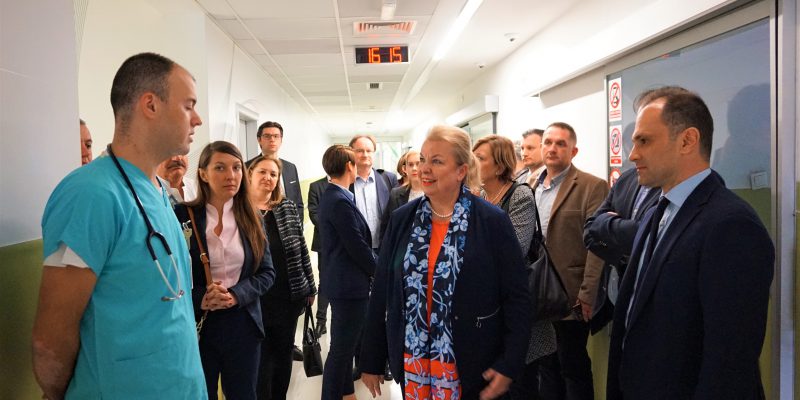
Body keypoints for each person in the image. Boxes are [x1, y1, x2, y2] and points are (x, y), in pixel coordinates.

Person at [33, 52, 206, 399]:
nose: (197, 119)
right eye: (188, 106)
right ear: (150, 105)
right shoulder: (90, 195)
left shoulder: (159, 191)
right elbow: (50, 341)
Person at [607, 86, 774, 399]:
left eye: (644, 141)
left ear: (687, 141)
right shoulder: (658, 211)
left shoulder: (731, 225)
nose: (632, 154)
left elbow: (729, 362)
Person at [360, 125, 531, 400]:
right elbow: (382, 289)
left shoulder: (491, 221)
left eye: (437, 161)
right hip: (414, 358)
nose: (424, 169)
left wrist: (510, 362)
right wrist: (371, 358)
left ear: (461, 171)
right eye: (423, 159)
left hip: (473, 359)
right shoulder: (403, 219)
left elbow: (517, 297)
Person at [174, 141, 276, 400]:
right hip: (199, 324)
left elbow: (267, 273)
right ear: (203, 174)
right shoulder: (182, 215)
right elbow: (169, 276)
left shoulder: (252, 217)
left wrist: (236, 294)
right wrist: (200, 298)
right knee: (200, 394)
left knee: (243, 394)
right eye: (220, 168)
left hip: (243, 322)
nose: (231, 175)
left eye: (236, 168)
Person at [472, 135, 557, 400]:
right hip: (490, 311)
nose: (472, 163)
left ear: (499, 166)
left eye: (480, 158)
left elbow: (514, 252)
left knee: (521, 385)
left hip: (518, 308)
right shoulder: (480, 195)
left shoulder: (519, 195)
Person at [533, 122, 608, 400]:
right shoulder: (531, 185)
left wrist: (588, 293)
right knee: (546, 365)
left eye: (560, 144)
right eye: (548, 142)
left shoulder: (591, 186)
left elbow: (597, 245)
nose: (552, 148)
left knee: (572, 365)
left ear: (573, 151)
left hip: (570, 293)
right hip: (537, 292)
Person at [249, 155, 316, 400]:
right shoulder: (240, 209)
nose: (268, 178)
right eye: (262, 172)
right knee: (261, 360)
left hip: (288, 296)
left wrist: (310, 286)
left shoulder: (285, 207)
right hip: (255, 298)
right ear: (250, 174)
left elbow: (300, 247)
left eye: (273, 174)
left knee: (283, 355)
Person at [318, 145, 377, 400]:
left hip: (343, 283)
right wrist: (381, 270)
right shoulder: (338, 200)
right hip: (348, 286)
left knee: (343, 346)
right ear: (348, 166)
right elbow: (357, 246)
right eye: (355, 162)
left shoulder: (336, 195)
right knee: (341, 351)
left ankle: (346, 393)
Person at [582, 168, 659, 334]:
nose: (632, 155)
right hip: (615, 293)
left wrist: (605, 224)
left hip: (650, 301)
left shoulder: (672, 184)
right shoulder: (627, 178)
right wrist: (624, 255)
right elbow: (589, 231)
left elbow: (647, 234)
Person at [348, 134, 399, 253]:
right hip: (355, 249)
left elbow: (396, 214)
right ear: (351, 153)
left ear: (374, 153)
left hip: (384, 247)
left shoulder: (389, 179)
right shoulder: (345, 182)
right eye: (360, 151)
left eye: (369, 151)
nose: (365, 154)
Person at [245, 121, 304, 221]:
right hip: (258, 221)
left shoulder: (291, 167)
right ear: (259, 140)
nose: (272, 139)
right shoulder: (247, 167)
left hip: (289, 224)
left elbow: (298, 201)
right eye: (267, 136)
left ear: (281, 140)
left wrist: (298, 226)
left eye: (276, 136)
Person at [380, 149, 423, 235]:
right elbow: (387, 227)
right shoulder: (395, 194)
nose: (414, 168)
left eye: (418, 164)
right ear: (404, 169)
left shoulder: (434, 193)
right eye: (410, 165)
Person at [308, 175, 330, 336]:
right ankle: (321, 321)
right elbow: (314, 213)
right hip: (324, 242)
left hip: (347, 242)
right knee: (325, 281)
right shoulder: (316, 186)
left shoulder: (350, 182)